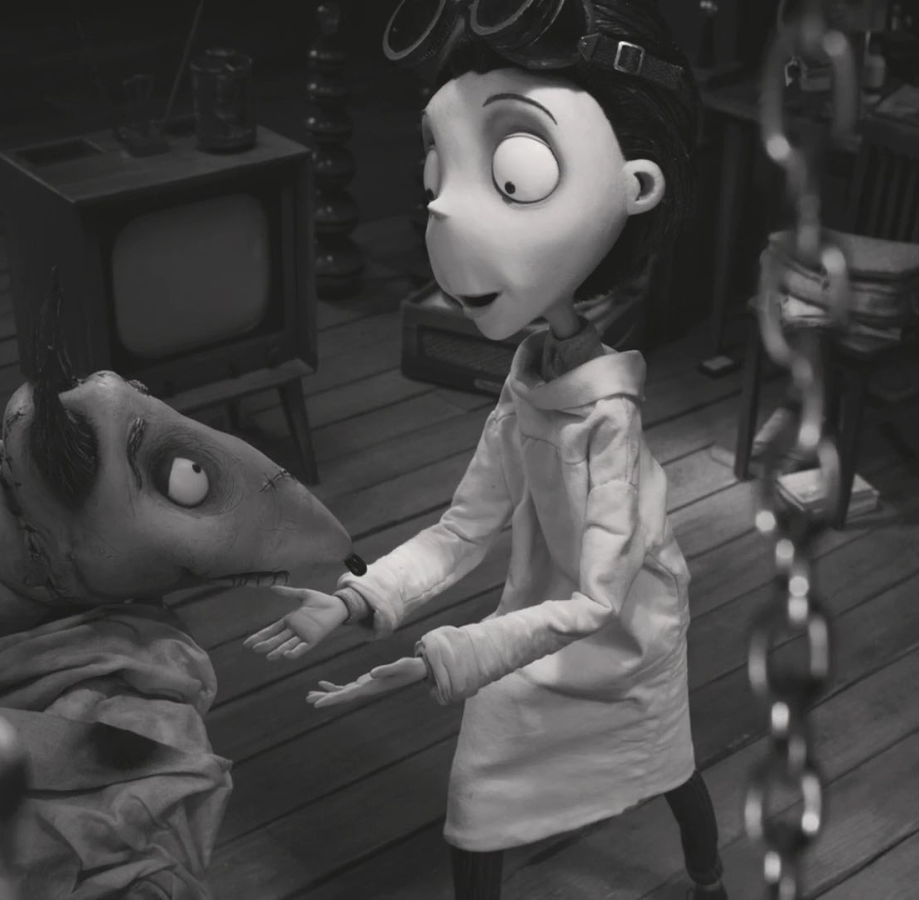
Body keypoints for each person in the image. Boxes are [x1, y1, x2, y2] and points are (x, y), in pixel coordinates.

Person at [244, 1, 725, 897]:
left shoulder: (608, 418)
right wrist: (355, 602)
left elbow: (598, 598)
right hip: (542, 606)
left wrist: (444, 657)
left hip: (622, 621)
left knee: (661, 757)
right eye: (439, 168)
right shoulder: (532, 376)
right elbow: (464, 528)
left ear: (637, 185)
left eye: (515, 173)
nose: (444, 209)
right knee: (490, 792)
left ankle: (709, 879)